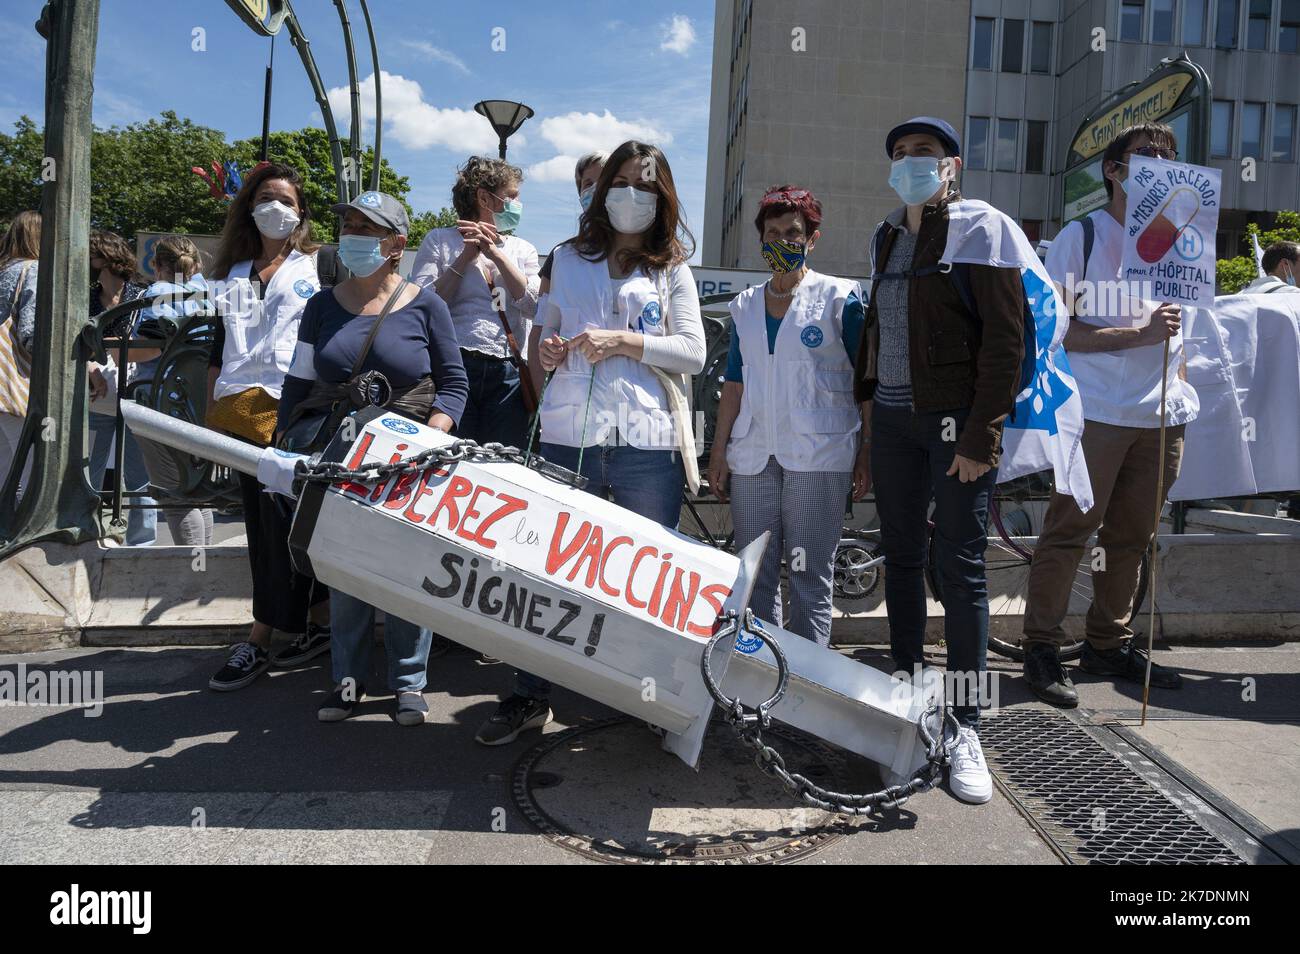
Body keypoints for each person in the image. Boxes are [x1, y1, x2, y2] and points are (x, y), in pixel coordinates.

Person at [475, 140, 705, 746]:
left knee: (648, 577)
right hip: (567, 437)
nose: (633, 194)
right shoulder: (569, 258)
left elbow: (695, 353)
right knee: (546, 568)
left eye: (646, 186)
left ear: (663, 197)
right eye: (623, 182)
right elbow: (545, 335)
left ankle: (648, 696)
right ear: (604, 192)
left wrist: (627, 342)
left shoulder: (671, 266)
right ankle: (529, 694)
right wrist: (547, 353)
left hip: (645, 445)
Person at [853, 117, 1029, 805]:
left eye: (923, 154)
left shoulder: (985, 228)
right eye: (900, 154)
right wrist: (870, 422)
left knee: (960, 567)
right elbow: (879, 333)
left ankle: (966, 722)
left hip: (955, 422)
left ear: (952, 166)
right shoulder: (887, 234)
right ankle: (904, 686)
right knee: (899, 555)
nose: (910, 163)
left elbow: (1005, 344)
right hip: (894, 421)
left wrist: (981, 437)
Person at [1022, 122, 1198, 707]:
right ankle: (1042, 646)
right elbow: (1054, 331)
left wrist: (1179, 382)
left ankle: (1108, 641)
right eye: (1145, 155)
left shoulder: (1184, 243)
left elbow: (1187, 330)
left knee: (1131, 538)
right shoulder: (1084, 236)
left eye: (1167, 157)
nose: (1158, 164)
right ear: (1114, 170)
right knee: (1071, 531)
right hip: (1096, 412)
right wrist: (1136, 334)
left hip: (1161, 417)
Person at [277, 190, 468, 726]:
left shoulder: (427, 304)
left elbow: (453, 384)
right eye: (349, 224)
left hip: (408, 457)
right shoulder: (320, 306)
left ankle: (409, 684)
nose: (353, 234)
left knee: (407, 566)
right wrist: (283, 441)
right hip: (338, 455)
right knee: (346, 568)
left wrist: (434, 435)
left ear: (396, 244)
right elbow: (299, 380)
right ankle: (347, 680)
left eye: (367, 227)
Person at [707, 185, 869, 648]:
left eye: (793, 233)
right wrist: (719, 452)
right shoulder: (745, 305)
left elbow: (867, 384)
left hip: (820, 457)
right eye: (772, 232)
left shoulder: (841, 299)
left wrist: (867, 452)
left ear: (811, 239)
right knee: (754, 574)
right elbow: (734, 384)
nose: (782, 240)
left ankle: (805, 692)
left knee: (807, 577)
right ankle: (761, 678)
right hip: (754, 455)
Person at [205, 162, 331, 690]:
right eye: (265, 197)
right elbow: (218, 346)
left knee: (293, 523)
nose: (276, 207)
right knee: (265, 525)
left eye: (286, 199)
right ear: (249, 207)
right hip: (239, 411)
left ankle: (263, 636)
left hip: (295, 409)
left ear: (300, 213)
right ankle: (307, 625)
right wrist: (207, 417)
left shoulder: (319, 268)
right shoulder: (229, 273)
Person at [410, 156, 539, 450]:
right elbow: (422, 305)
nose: (518, 205)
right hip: (453, 366)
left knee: (501, 462)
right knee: (446, 456)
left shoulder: (523, 249)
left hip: (508, 372)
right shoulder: (439, 240)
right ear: (484, 197)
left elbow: (532, 305)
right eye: (512, 197)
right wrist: (465, 257)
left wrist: (495, 254)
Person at [135, 235, 214, 546]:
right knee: (196, 490)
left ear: (156, 265)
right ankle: (204, 567)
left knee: (174, 492)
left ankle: (195, 576)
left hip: (160, 402)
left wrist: (117, 350)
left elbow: (151, 349)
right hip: (197, 403)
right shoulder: (206, 296)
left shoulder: (156, 294)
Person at [87, 230, 157, 546]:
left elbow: (156, 344)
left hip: (136, 391)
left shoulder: (142, 297)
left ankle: (141, 541)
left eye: (92, 255)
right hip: (95, 394)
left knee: (139, 472)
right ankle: (88, 532)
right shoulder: (85, 297)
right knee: (89, 468)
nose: (86, 261)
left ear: (108, 258)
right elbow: (75, 341)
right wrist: (89, 367)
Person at [527, 152, 608, 396]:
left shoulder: (645, 257)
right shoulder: (562, 257)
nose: (595, 190)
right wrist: (541, 395)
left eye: (603, 181)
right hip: (570, 398)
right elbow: (541, 329)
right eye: (588, 184)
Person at [0, 211, 41, 499]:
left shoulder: (3, 269)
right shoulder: (33, 269)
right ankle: (20, 541)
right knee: (28, 473)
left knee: (4, 471)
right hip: (12, 384)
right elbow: (30, 332)